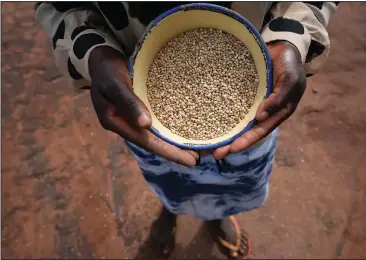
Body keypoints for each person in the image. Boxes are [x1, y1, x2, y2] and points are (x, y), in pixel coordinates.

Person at [35, 2, 338, 258]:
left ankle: (216, 214)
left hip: (256, 101)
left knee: (236, 174)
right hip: (137, 95)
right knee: (165, 171)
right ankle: (170, 209)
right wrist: (93, 51)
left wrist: (292, 37)